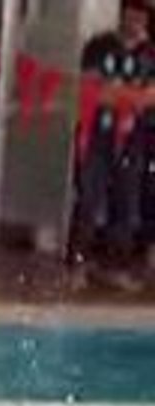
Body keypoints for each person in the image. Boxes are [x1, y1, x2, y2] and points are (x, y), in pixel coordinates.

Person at [74, 0, 153, 293]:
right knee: (89, 200)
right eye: (130, 15)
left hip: (134, 140)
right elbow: (93, 92)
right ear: (121, 15)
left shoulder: (150, 53)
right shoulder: (99, 46)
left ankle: (116, 267)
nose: (134, 21)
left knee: (126, 204)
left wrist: (119, 93)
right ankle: (79, 264)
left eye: (140, 17)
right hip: (97, 135)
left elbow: (151, 99)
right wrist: (133, 95)